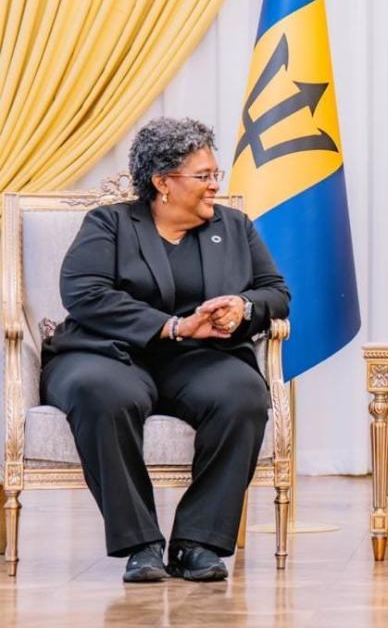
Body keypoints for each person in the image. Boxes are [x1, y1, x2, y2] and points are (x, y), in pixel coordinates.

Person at [41, 117, 290, 583]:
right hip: (105, 352)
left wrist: (243, 307)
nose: (215, 185)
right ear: (162, 182)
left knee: (242, 395)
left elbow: (275, 293)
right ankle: (141, 544)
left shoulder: (235, 227)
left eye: (216, 174)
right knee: (102, 394)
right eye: (203, 175)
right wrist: (171, 326)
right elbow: (84, 293)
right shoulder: (110, 224)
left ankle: (198, 542)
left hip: (199, 358)